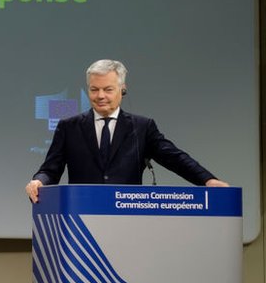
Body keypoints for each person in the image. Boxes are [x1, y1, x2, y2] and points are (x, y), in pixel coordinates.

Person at [25, 59, 227, 203]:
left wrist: (206, 180)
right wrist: (38, 181)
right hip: (82, 215)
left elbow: (174, 157)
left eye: (108, 89)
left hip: (128, 215)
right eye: (94, 89)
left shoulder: (142, 127)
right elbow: (50, 169)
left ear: (122, 89)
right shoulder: (69, 127)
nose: (100, 95)